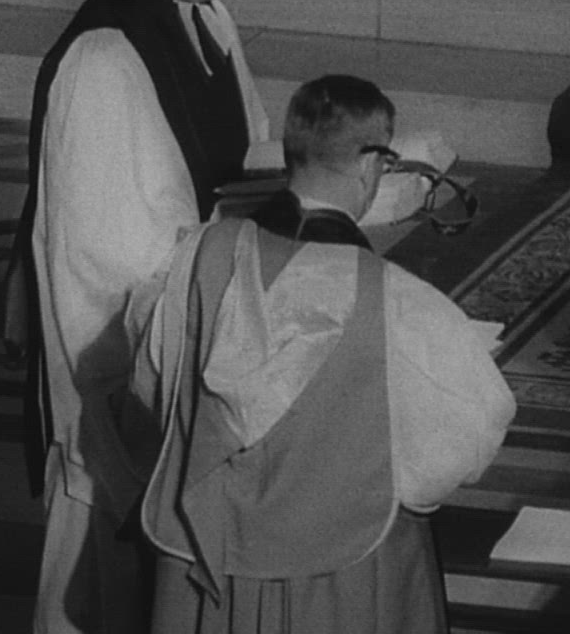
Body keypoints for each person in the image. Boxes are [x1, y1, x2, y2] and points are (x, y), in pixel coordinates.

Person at [123, 74, 517, 634]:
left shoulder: (194, 260)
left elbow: (149, 382)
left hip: (200, 558)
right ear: (371, 166)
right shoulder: (397, 299)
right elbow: (465, 441)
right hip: (339, 576)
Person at [1, 0, 273, 634]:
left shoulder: (207, 20)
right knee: (102, 570)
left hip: (198, 308)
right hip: (122, 356)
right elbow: (105, 255)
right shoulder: (102, 60)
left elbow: (249, 149)